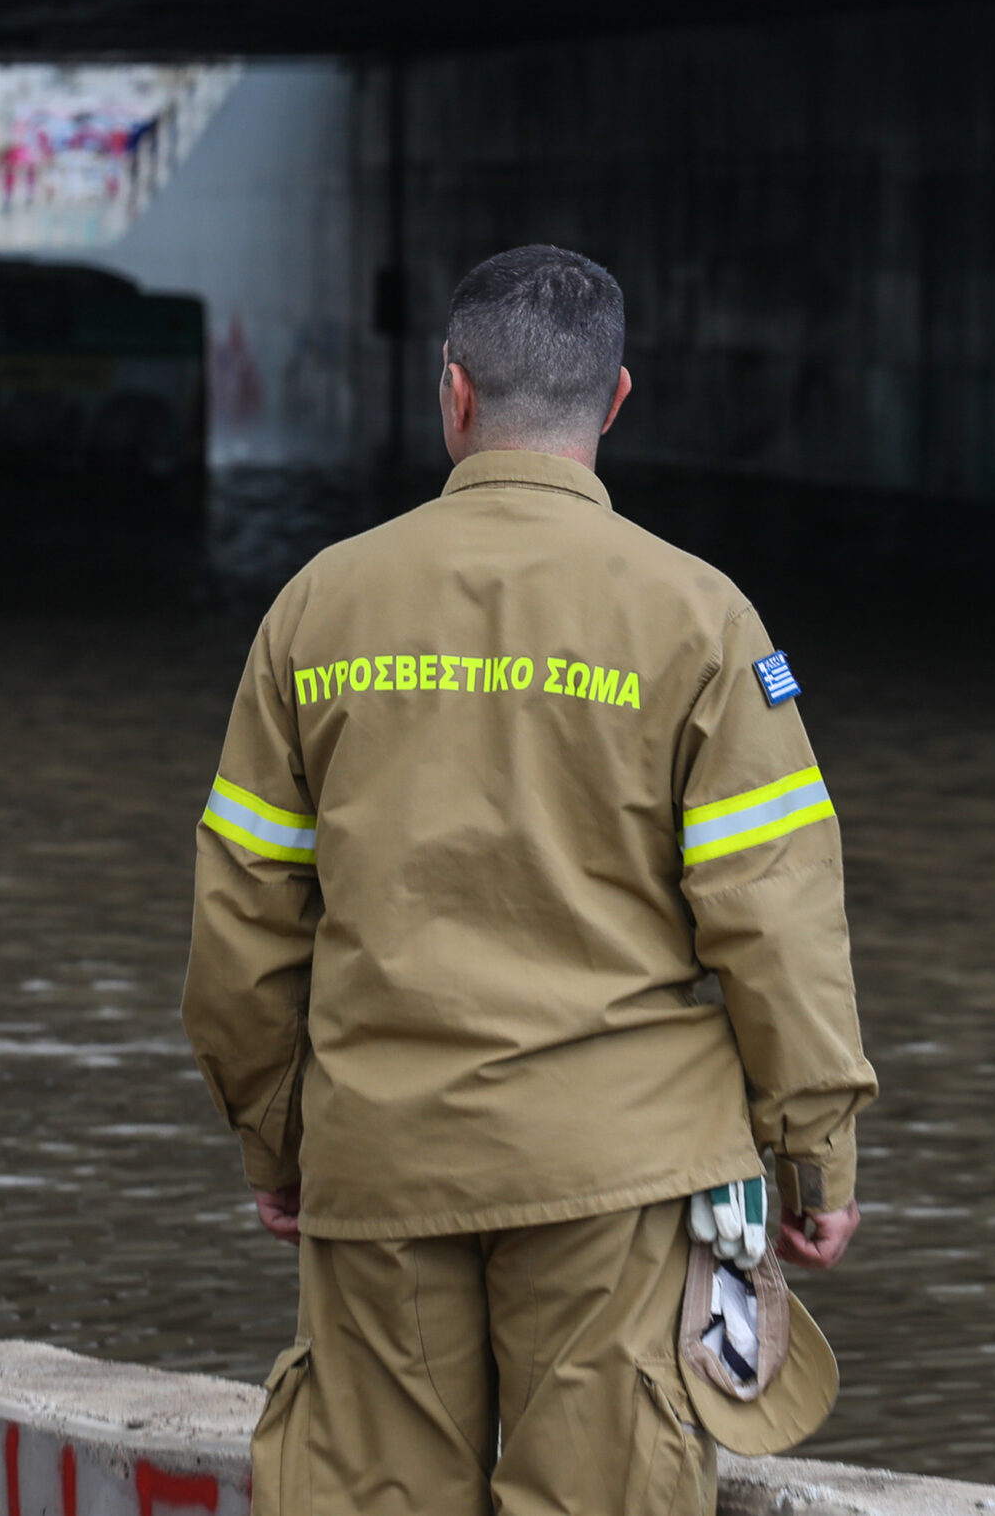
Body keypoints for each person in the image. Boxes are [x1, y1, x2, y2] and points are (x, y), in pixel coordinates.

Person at [183, 245, 876, 1516]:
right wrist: (812, 1156)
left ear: (451, 395)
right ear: (616, 401)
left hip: (381, 1159)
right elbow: (774, 915)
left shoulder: (316, 609)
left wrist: (275, 1141)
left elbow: (242, 918)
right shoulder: (702, 619)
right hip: (616, 1173)